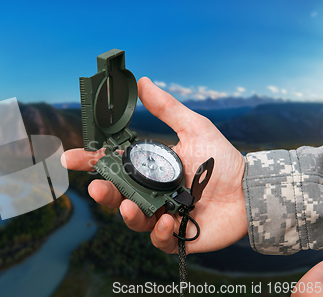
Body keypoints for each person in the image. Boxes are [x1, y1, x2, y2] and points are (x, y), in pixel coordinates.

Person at [61, 77, 323, 296]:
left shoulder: (166, 179)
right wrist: (246, 184)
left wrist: (244, 189)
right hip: (163, 176)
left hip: (165, 178)